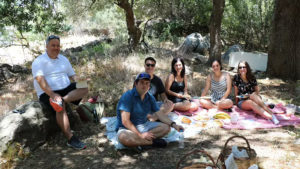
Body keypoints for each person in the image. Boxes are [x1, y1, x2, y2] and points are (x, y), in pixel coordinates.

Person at [32, 35, 88, 150]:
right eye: (53, 45)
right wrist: (52, 94)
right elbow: (40, 80)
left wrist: (80, 81)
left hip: (65, 89)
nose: (56, 48)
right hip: (47, 92)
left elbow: (72, 75)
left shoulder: (63, 59)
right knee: (59, 105)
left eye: (58, 45)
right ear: (47, 46)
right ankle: (71, 139)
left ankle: (63, 100)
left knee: (84, 87)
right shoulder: (39, 61)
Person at [116, 72, 183, 148]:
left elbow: (160, 114)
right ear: (136, 84)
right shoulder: (127, 96)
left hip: (144, 125)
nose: (144, 85)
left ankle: (141, 142)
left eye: (147, 83)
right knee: (123, 137)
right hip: (127, 129)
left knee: (166, 128)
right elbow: (125, 121)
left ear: (149, 86)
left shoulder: (150, 97)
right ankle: (152, 143)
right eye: (142, 83)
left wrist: (174, 125)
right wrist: (140, 135)